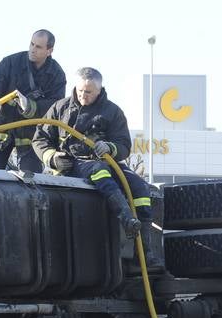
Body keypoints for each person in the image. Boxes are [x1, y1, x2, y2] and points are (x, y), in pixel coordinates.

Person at [33, 67, 153, 237]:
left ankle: (145, 249)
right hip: (72, 164)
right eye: (80, 90)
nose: (83, 95)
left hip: (108, 162)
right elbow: (40, 139)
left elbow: (124, 144)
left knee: (140, 186)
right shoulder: (59, 108)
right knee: (99, 171)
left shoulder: (112, 112)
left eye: (88, 92)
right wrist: (52, 158)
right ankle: (126, 219)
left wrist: (110, 148)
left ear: (99, 90)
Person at [0, 30, 67, 174]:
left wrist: (30, 107)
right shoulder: (10, 63)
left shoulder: (56, 74)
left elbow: (56, 108)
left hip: (31, 138)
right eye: (31, 44)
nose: (32, 49)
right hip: (1, 131)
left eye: (38, 47)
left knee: (30, 179)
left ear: (49, 50)